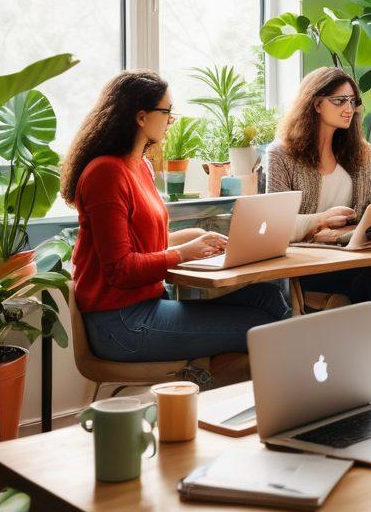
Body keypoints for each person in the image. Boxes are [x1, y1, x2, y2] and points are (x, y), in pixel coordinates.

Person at [63, 70, 289, 363]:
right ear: (141, 117)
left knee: (266, 297)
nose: (171, 120)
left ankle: (298, 382)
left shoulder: (140, 166)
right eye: (167, 112)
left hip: (149, 305)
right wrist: (182, 253)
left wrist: (197, 238)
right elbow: (120, 268)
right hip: (121, 323)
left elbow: (143, 246)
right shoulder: (105, 173)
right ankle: (299, 389)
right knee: (262, 327)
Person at [267, 67, 371, 346]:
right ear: (316, 103)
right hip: (308, 266)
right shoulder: (281, 154)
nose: (349, 108)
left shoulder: (360, 152)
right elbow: (276, 225)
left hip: (351, 257)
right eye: (339, 101)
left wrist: (346, 234)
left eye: (352, 101)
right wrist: (318, 222)